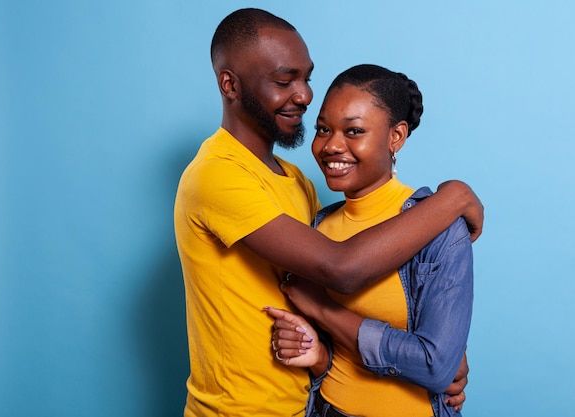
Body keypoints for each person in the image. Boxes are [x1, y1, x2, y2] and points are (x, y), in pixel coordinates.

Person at [173, 8, 482, 417]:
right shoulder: (216, 176)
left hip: (305, 407)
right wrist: (454, 197)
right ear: (229, 84)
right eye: (284, 81)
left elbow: (337, 306)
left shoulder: (297, 182)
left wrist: (439, 354)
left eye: (306, 78)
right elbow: (340, 268)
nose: (302, 95)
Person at [265, 64, 474, 417]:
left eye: (354, 130)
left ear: (396, 136)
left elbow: (436, 366)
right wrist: (316, 354)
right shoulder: (318, 226)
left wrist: (323, 308)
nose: (331, 145)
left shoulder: (440, 230)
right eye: (323, 129)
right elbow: (331, 352)